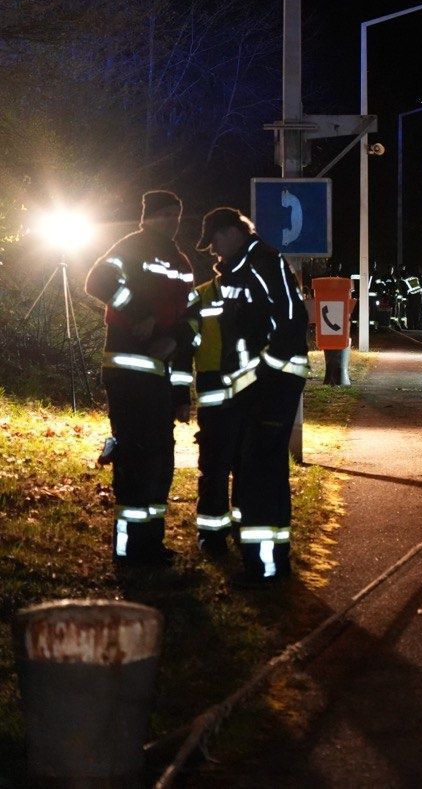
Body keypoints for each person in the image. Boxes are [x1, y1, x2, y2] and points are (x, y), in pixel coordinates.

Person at [197, 207, 309, 586]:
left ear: (232, 232)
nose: (213, 251)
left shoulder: (264, 262)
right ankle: (269, 563)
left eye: (215, 241)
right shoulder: (240, 268)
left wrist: (263, 371)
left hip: (273, 385)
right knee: (259, 470)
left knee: (259, 475)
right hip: (255, 388)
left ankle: (265, 569)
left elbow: (293, 321)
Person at [84, 190, 193, 565]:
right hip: (128, 376)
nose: (170, 221)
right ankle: (129, 550)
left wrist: (182, 394)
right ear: (147, 217)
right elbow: (98, 281)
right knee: (134, 461)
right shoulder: (130, 248)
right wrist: (140, 314)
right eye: (163, 214)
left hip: (160, 381)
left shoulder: (181, 263)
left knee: (160, 462)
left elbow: (189, 325)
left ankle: (152, 545)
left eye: (175, 215)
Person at [171, 275, 244, 557]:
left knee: (246, 469)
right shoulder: (199, 297)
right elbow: (182, 351)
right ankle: (212, 536)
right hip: (215, 393)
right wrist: (180, 397)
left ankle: (241, 531)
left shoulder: (255, 291)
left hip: (247, 392)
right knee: (214, 469)